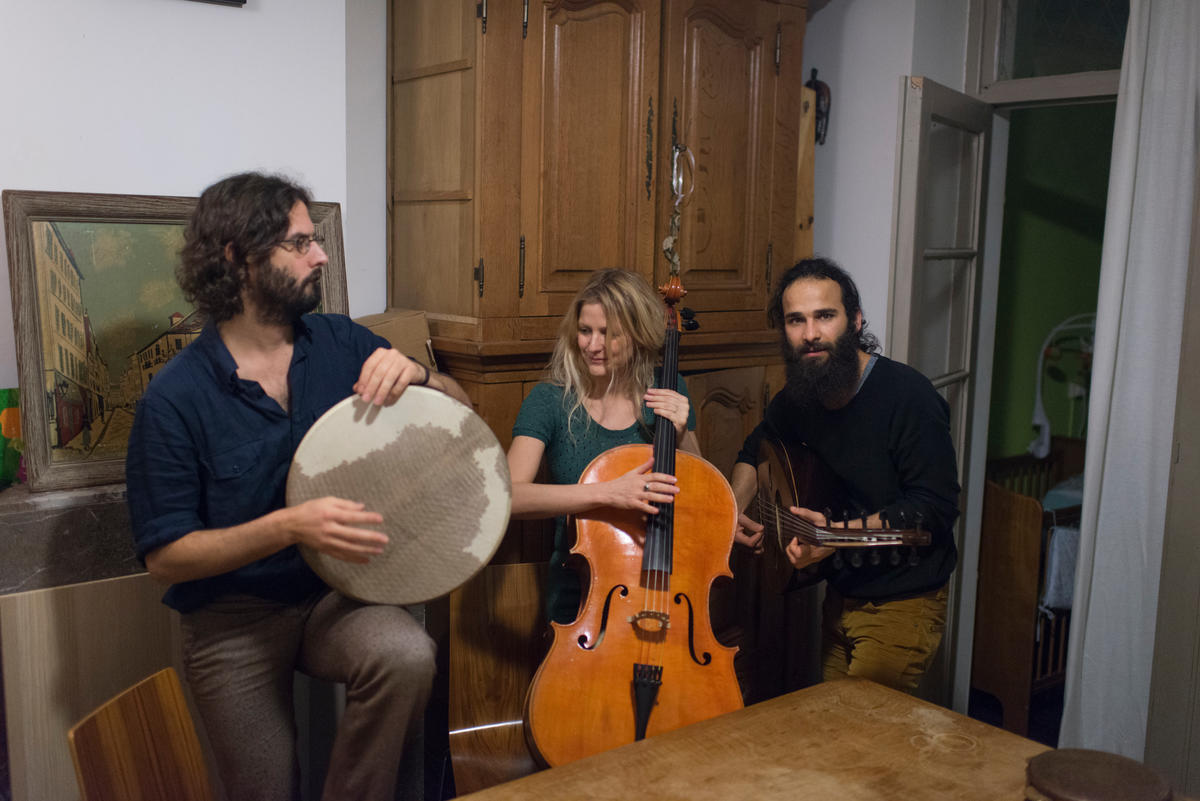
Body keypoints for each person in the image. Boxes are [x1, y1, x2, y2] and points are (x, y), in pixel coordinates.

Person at [125, 172, 471, 801]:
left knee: (407, 655)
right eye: (300, 243)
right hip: (231, 619)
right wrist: (289, 525)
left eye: (316, 240)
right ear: (239, 258)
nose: (321, 256)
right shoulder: (174, 398)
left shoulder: (342, 342)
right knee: (265, 788)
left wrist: (421, 374)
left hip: (336, 594)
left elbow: (463, 416)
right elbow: (166, 559)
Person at [730, 257, 959, 693]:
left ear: (854, 320)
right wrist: (731, 511)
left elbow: (933, 510)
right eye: (796, 320)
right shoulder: (800, 398)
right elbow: (756, 445)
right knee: (835, 724)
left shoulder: (909, 396)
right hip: (838, 597)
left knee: (862, 728)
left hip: (903, 601)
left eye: (824, 316)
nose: (810, 334)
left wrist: (831, 536)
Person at [507, 269, 700, 624]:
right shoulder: (549, 399)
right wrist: (609, 493)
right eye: (585, 331)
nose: (593, 346)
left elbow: (701, 493)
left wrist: (682, 432)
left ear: (638, 335)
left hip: (661, 582)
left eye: (609, 334)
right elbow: (509, 497)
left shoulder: (668, 388)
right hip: (580, 588)